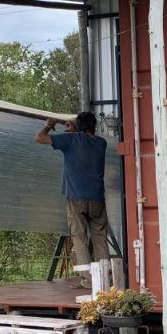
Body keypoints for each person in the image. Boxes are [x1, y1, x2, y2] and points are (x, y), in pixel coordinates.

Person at [36, 111, 109, 288]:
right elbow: (82, 140)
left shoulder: (70, 140)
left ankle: (88, 280)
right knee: (100, 238)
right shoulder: (101, 143)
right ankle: (105, 278)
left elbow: (39, 138)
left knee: (80, 237)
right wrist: (73, 129)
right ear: (95, 126)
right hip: (97, 197)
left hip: (76, 197)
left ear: (78, 126)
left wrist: (49, 125)